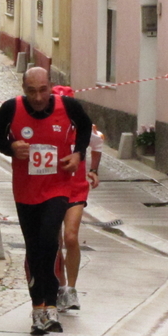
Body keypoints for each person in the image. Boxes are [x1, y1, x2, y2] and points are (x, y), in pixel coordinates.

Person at [0, 67, 92, 336]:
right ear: (24, 89)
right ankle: (39, 311)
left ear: (50, 87)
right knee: (35, 250)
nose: (38, 97)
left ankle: (51, 306)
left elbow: (84, 127)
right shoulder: (12, 109)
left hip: (58, 187)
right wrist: (10, 147)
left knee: (49, 241)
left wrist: (78, 154)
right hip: (25, 192)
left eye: (43, 90)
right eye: (32, 91)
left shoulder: (67, 106)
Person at [51, 86, 103, 312]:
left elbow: (98, 143)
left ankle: (71, 289)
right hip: (50, 189)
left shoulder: (82, 127)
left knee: (71, 237)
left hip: (76, 189)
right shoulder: (47, 125)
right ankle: (60, 286)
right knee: (55, 243)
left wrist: (94, 170)